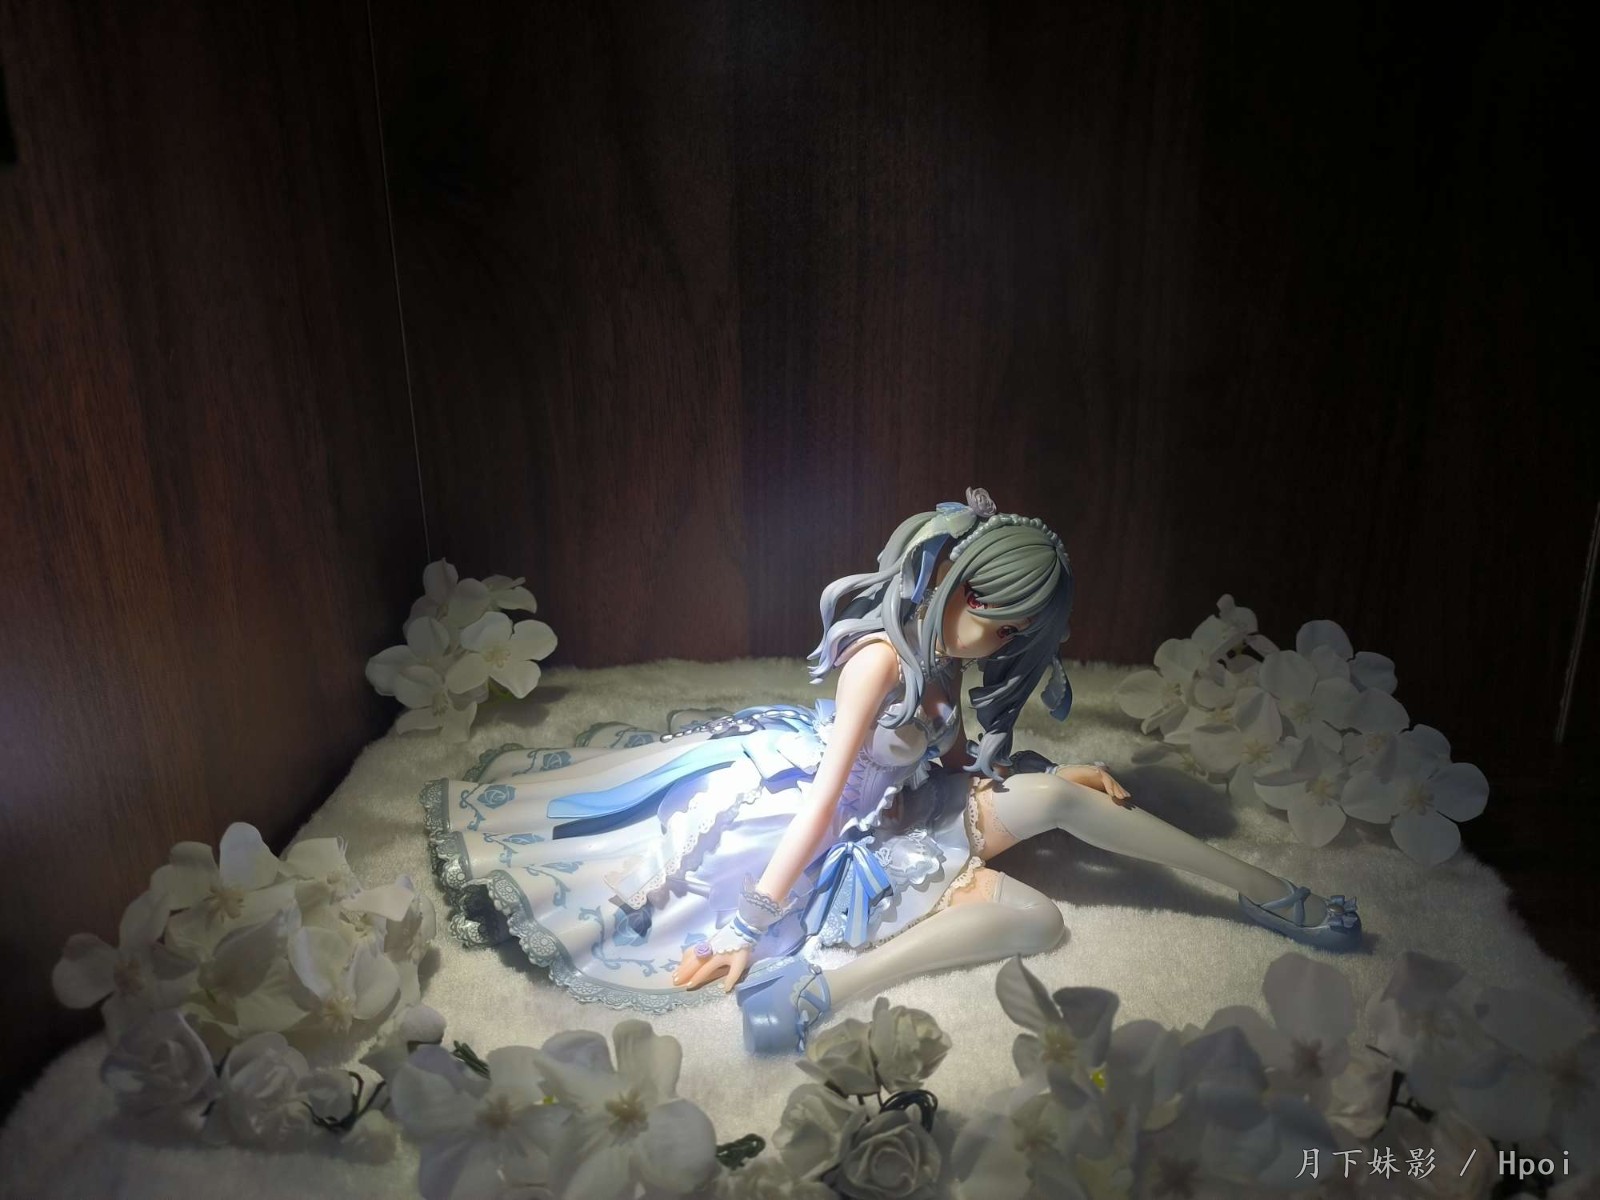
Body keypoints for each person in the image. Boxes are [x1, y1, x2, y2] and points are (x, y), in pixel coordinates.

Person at [422, 488, 1360, 1055]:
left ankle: (1265, 892)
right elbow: (827, 799)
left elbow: (950, 759)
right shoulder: (878, 661)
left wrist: (1052, 774)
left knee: (1051, 800)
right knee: (1039, 920)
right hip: (823, 823)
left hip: (910, 806)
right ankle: (816, 993)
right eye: (999, 624)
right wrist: (751, 921)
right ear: (956, 582)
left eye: (1017, 635)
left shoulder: (946, 661)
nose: (1000, 645)